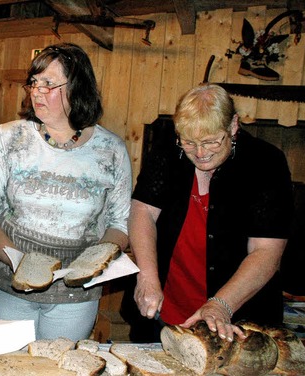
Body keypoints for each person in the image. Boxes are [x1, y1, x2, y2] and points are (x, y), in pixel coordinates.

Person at [0, 43, 132, 341]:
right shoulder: (9, 137)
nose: (37, 91)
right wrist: (15, 258)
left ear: (78, 87)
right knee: (14, 366)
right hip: (10, 282)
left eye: (49, 84)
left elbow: (119, 224)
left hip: (76, 293)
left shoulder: (111, 150)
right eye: (34, 82)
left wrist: (96, 258)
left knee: (59, 368)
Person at [125, 83, 294, 343]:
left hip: (238, 316)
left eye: (211, 142)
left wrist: (221, 305)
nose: (200, 154)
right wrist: (146, 275)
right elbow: (143, 210)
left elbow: (267, 251)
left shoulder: (265, 163)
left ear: (233, 126)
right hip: (165, 307)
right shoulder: (168, 150)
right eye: (189, 143)